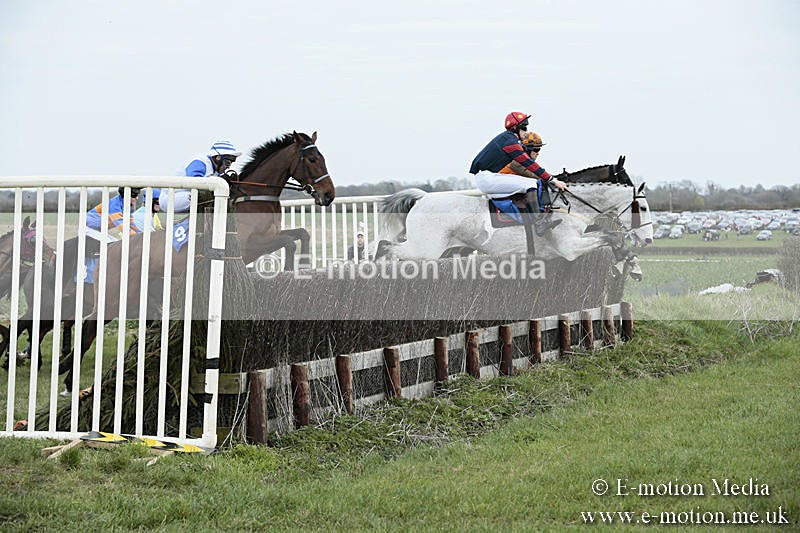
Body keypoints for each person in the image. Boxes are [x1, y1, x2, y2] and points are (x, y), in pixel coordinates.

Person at [470, 112, 567, 235]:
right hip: (487, 178)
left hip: (488, 177)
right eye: (524, 128)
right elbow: (529, 164)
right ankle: (538, 223)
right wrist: (553, 180)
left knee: (531, 183)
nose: (526, 132)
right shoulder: (510, 142)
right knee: (531, 184)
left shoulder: (508, 138)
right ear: (515, 128)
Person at [159, 139, 241, 213]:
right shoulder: (200, 162)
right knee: (201, 196)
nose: (228, 167)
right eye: (227, 163)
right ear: (218, 158)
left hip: (184, 196)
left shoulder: (215, 170)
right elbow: (196, 184)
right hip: (170, 198)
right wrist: (220, 180)